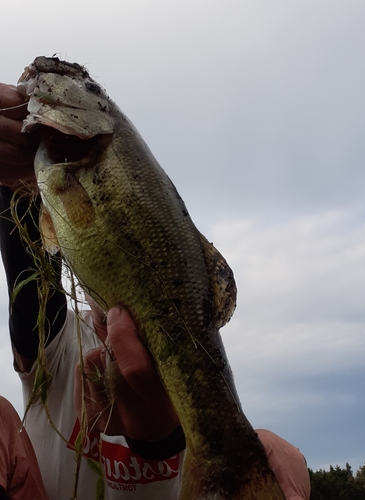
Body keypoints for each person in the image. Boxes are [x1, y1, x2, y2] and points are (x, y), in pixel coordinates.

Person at [0, 82, 310, 500]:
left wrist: (159, 444)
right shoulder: (55, 344)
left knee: (277, 455)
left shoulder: (202, 381)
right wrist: (18, 176)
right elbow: (28, 266)